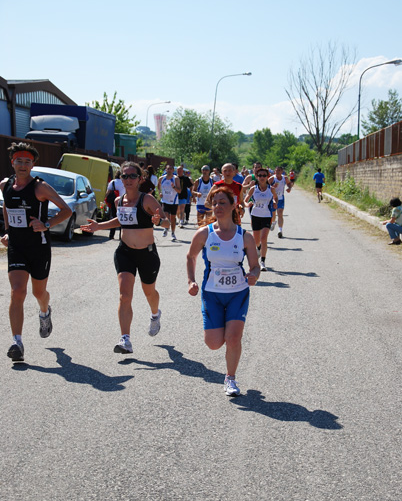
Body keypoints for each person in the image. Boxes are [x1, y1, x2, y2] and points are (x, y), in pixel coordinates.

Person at [81, 161, 170, 354]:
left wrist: (159, 221)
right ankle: (125, 340)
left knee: (149, 293)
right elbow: (121, 219)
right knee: (125, 295)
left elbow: (167, 223)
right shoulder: (118, 201)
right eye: (124, 176)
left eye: (132, 176)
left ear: (140, 179)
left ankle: (155, 314)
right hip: (125, 252)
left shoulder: (147, 200)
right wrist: (99, 226)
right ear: (120, 179)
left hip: (147, 254)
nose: (128, 179)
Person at [0, 142, 72, 362]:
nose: (23, 165)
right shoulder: (5, 184)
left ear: (33, 165)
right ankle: (17, 342)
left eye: (27, 162)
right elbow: (7, 207)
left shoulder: (40, 187)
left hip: (38, 247)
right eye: (19, 161)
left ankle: (44, 312)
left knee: (38, 293)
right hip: (17, 247)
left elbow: (67, 210)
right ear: (12, 162)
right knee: (17, 291)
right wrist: (7, 231)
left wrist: (47, 224)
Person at [187, 184, 259, 396]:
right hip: (212, 294)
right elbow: (190, 257)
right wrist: (191, 281)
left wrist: (254, 275)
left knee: (234, 337)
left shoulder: (244, 236)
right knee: (214, 343)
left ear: (233, 204)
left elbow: (255, 265)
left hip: (238, 293)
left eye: (223, 202)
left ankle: (230, 378)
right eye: (215, 203)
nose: (218, 206)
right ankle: (224, 339)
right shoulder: (205, 234)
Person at [245, 168, 278, 271]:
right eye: (260, 175)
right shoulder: (253, 189)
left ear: (267, 177)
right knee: (256, 241)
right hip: (255, 215)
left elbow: (275, 197)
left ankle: (263, 262)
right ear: (257, 177)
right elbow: (245, 200)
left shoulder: (271, 189)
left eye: (264, 175)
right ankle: (258, 249)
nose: (262, 177)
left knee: (264, 238)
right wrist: (247, 204)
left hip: (267, 216)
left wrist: (274, 202)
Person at [157, 164, 181, 241]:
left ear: (173, 170)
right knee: (165, 216)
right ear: (166, 170)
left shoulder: (176, 179)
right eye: (168, 169)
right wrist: (160, 193)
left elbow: (179, 191)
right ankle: (166, 228)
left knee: (172, 218)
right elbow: (158, 186)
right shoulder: (161, 178)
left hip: (173, 201)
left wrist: (174, 187)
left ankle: (173, 233)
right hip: (165, 201)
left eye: (171, 169)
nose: (169, 170)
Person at [269, 166, 292, 237]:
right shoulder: (272, 178)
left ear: (282, 171)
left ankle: (280, 230)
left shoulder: (284, 178)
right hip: (272, 198)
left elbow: (289, 184)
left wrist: (289, 188)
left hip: (281, 198)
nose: (277, 172)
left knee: (280, 214)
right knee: (273, 215)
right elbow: (265, 186)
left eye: (279, 170)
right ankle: (273, 222)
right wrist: (272, 187)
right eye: (276, 170)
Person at [105, 170, 124, 239]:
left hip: (113, 201)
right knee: (122, 217)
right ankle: (121, 236)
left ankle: (111, 235)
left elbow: (108, 192)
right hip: (123, 201)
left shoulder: (112, 182)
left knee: (113, 216)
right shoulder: (124, 182)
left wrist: (105, 200)